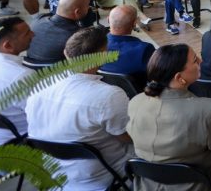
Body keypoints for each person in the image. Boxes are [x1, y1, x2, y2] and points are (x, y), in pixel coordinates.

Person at [127, 44, 211, 191]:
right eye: (195, 60)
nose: (201, 61)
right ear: (179, 78)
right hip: (199, 184)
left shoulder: (135, 102)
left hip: (147, 184)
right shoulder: (208, 110)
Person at [27, 27, 133, 189]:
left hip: (50, 172)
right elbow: (128, 138)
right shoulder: (109, 95)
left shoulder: (40, 85)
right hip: (101, 176)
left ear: (65, 53)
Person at [0, 16, 34, 147]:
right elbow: (41, 114)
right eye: (27, 33)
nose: (33, 34)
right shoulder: (22, 77)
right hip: (20, 142)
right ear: (8, 45)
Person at [99, 5, 155, 89]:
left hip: (106, 91)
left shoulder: (93, 47)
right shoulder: (144, 49)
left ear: (108, 20)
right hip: (138, 94)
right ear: (134, 24)